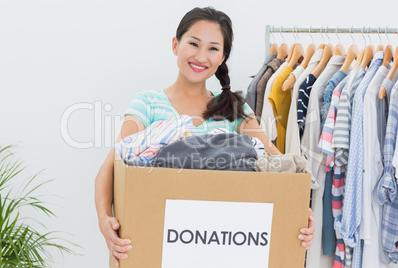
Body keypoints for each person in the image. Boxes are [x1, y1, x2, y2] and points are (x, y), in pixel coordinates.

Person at [95, 6, 314, 267]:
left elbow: (273, 159)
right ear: (176, 45)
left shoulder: (233, 107)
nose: (201, 56)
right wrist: (103, 219)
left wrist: (300, 208)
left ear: (222, 57)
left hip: (222, 246)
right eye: (193, 44)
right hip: (160, 243)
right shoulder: (148, 103)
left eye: (212, 48)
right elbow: (114, 165)